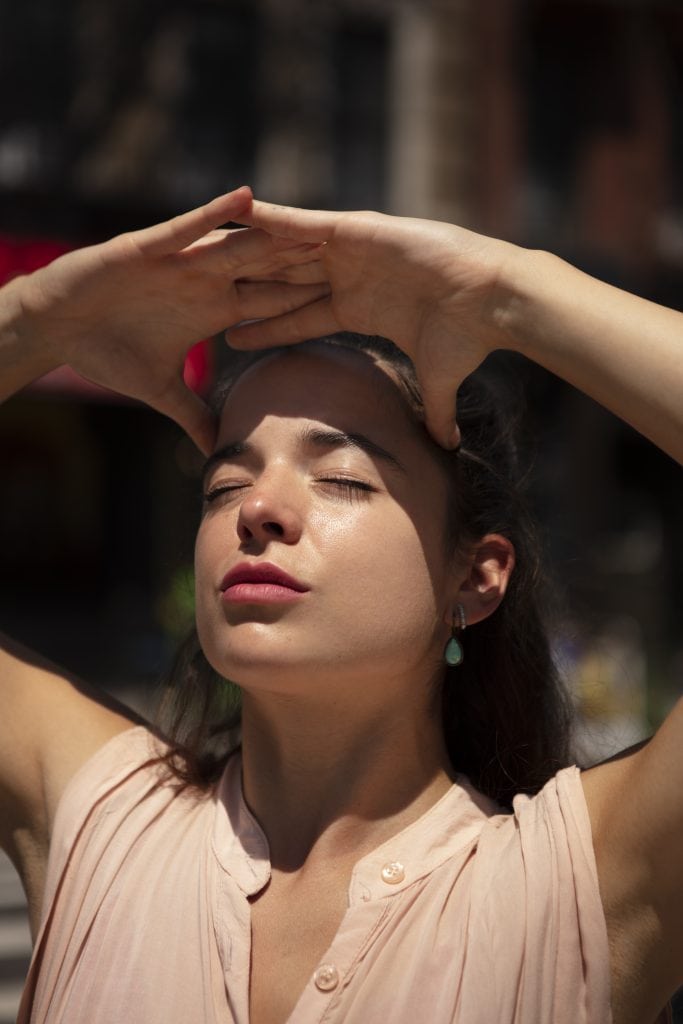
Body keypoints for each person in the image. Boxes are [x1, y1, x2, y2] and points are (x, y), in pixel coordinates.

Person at [0, 185, 681, 1024]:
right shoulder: (99, 812)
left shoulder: (581, 882)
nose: (259, 509)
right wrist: (37, 320)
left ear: (474, 577)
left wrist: (509, 294)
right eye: (225, 485)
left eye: (340, 478)